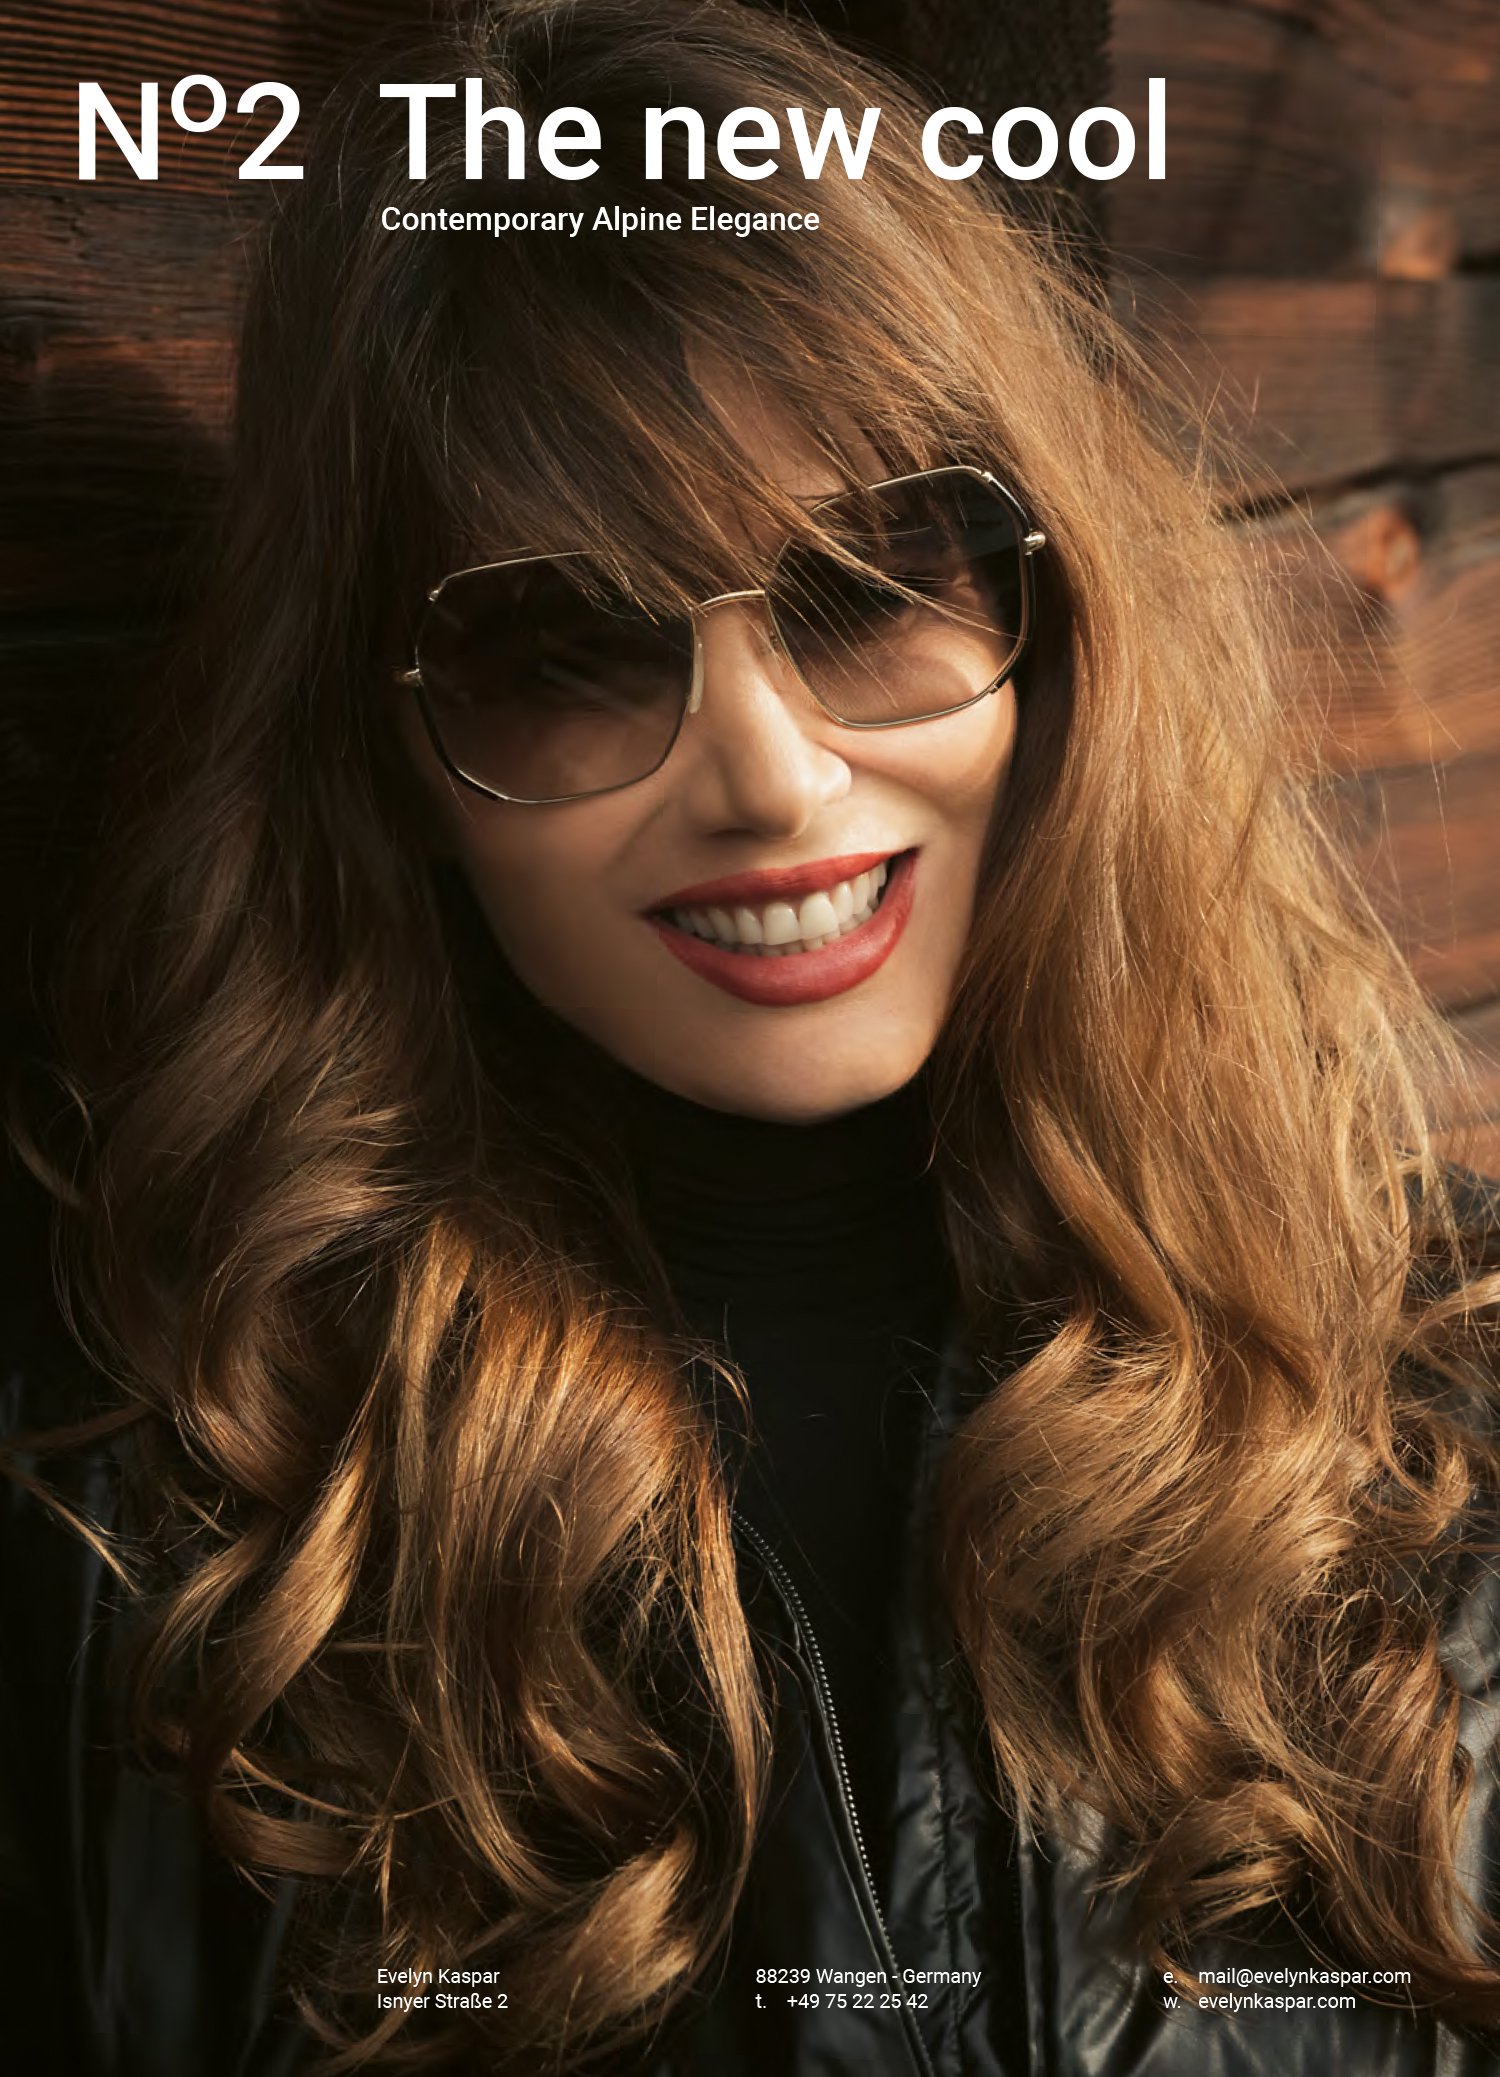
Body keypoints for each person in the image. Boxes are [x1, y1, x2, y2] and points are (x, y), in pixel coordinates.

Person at [4, 3, 1500, 2073]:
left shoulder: (1434, 1402)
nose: (773, 781)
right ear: (388, 752)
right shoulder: (186, 1518)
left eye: (872, 578)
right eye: (564, 644)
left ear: (1054, 623)